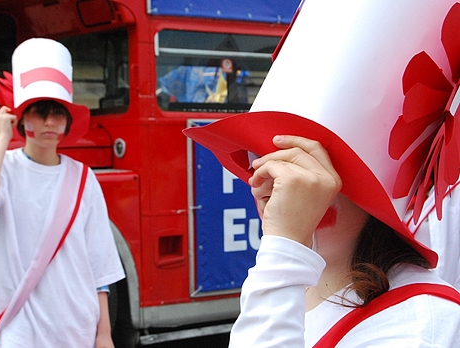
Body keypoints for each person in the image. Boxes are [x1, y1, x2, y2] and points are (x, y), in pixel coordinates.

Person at [183, 0, 460, 346]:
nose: (274, 180)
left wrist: (283, 249)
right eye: (263, 155)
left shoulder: (422, 321)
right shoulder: (293, 284)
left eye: (309, 162)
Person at [0, 38, 125, 348]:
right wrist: (2, 137)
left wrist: (103, 334)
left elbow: (100, 267)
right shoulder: (2, 168)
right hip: (16, 330)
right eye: (39, 112)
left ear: (67, 122)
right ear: (22, 119)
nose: (49, 122)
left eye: (57, 114)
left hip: (74, 328)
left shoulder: (84, 179)